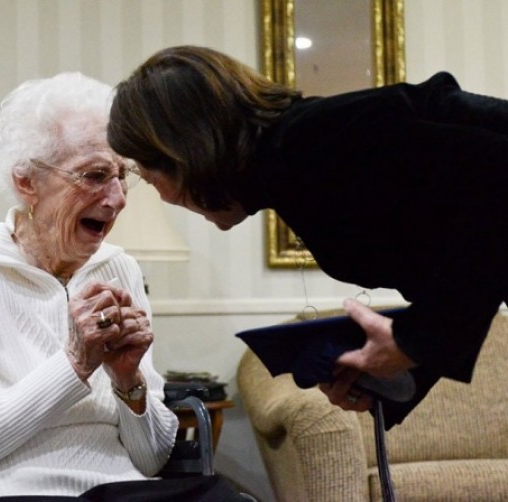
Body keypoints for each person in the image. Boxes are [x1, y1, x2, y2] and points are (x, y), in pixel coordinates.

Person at [107, 45, 508, 429]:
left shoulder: (310, 141)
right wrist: (401, 377)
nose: (162, 195)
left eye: (146, 174)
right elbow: (474, 247)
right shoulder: (296, 159)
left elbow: (495, 178)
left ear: (184, 153)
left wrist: (416, 341)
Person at [0, 72, 244, 501]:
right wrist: (73, 365)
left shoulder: (118, 268)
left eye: (122, 175)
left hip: (123, 491)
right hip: (17, 493)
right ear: (26, 182)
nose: (119, 197)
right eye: (94, 175)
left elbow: (153, 459)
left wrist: (128, 381)